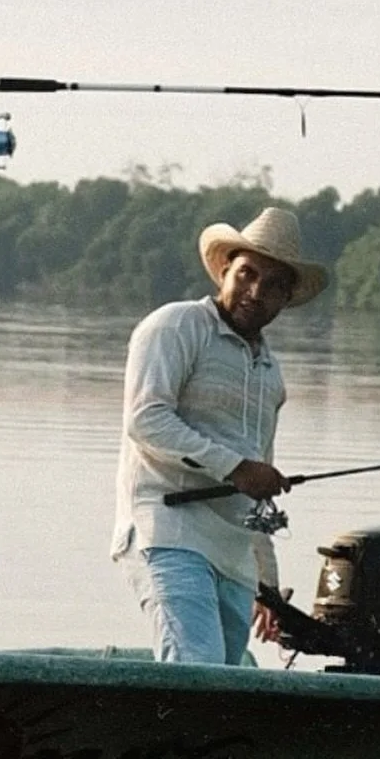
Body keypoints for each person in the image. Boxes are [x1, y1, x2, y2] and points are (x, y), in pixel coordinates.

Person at [111, 206, 329, 664]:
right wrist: (235, 468)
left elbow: (258, 486)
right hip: (168, 532)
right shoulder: (176, 325)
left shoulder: (270, 373)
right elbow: (146, 420)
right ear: (224, 270)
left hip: (234, 557)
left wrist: (267, 587)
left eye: (273, 286)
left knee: (227, 684)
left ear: (286, 298)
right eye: (247, 274)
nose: (255, 292)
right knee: (197, 669)